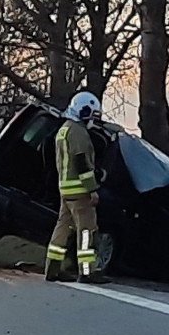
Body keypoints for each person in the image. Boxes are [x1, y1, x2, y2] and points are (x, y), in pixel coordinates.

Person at [45, 91, 110, 284]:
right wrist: (92, 189)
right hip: (79, 190)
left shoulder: (63, 130)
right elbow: (81, 162)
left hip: (65, 188)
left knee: (62, 228)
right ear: (83, 111)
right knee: (86, 231)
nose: (93, 120)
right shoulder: (78, 132)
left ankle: (52, 268)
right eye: (92, 115)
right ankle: (87, 271)